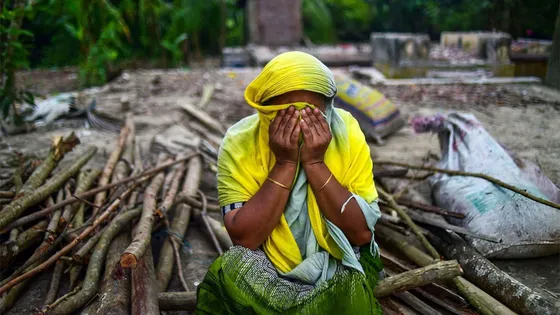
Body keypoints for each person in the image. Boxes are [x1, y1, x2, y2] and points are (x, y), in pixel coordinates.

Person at [195, 51, 384, 314]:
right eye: (284, 118)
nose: (297, 127)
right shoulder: (239, 143)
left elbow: (361, 234)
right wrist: (285, 164)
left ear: (327, 111)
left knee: (349, 288)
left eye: (310, 117)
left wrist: (316, 164)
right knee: (230, 270)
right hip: (268, 267)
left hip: (341, 262)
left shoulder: (347, 133)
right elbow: (245, 238)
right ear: (264, 113)